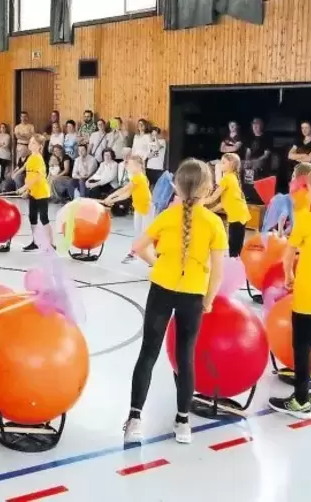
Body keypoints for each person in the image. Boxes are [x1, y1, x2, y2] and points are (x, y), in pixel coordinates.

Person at [124, 159, 227, 445]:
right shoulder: (214, 223)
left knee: (148, 353)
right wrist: (208, 300)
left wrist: (156, 264)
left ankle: (134, 419)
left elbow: (137, 247)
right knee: (185, 357)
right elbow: (218, 270)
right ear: (208, 188)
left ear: (176, 188)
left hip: (161, 289)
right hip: (192, 295)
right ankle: (183, 421)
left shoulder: (168, 216)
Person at [269, 165, 311, 419]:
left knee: (302, 348)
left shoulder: (307, 220)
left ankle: (301, 400)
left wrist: (288, 275)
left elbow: (287, 254)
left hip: (307, 298)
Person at [102, 156, 152, 263]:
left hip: (147, 209)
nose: (128, 166)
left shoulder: (139, 177)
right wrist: (113, 200)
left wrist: (110, 198)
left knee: (147, 234)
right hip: (139, 208)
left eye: (131, 165)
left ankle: (153, 256)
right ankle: (133, 253)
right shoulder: (135, 178)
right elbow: (127, 194)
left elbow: (124, 189)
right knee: (138, 233)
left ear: (138, 166)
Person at [202, 153, 250, 257]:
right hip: (242, 214)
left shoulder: (226, 179)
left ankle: (233, 265)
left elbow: (213, 198)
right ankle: (237, 263)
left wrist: (199, 202)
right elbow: (224, 203)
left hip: (237, 216)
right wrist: (209, 211)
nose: (220, 165)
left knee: (233, 245)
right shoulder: (233, 177)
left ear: (231, 164)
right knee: (237, 245)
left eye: (223, 163)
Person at [18, 134, 52, 251]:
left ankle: (51, 243)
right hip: (33, 192)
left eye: (33, 143)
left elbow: (37, 177)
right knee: (32, 217)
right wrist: (27, 190)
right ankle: (35, 241)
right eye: (30, 142)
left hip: (41, 192)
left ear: (39, 146)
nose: (30, 144)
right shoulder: (30, 158)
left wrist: (24, 187)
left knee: (44, 218)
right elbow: (29, 176)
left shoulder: (38, 158)